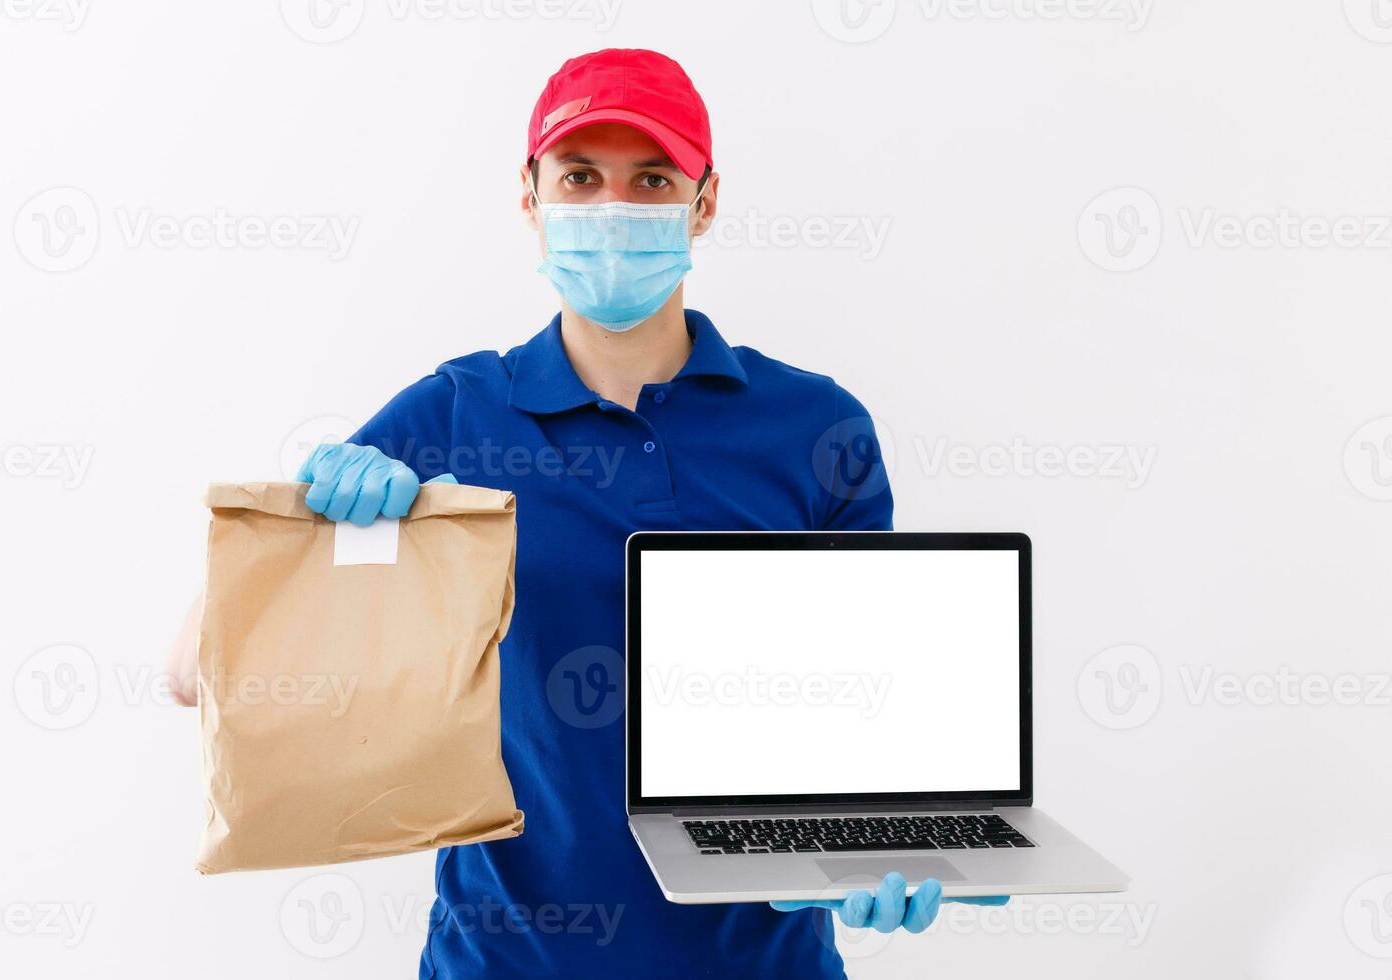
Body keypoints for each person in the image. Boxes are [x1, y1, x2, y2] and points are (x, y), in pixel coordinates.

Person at [169, 47, 1004, 978]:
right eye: (580, 177)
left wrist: (890, 853)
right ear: (530, 198)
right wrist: (322, 536)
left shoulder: (815, 427)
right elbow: (190, 671)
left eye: (652, 179)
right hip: (505, 959)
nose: (614, 209)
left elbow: (881, 716)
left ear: (706, 201)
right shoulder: (455, 415)